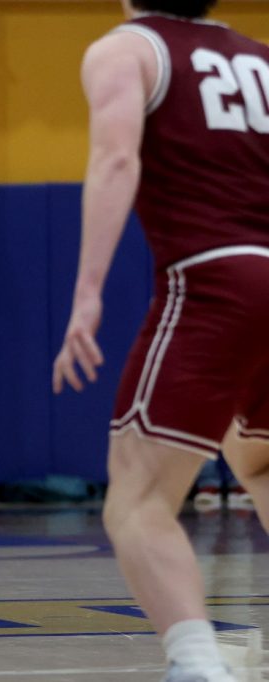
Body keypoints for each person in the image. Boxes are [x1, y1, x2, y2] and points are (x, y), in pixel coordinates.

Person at [52, 2, 269, 680]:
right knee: (258, 464)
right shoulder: (261, 56)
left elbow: (117, 160)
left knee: (137, 501)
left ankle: (197, 662)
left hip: (215, 280)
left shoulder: (128, 48)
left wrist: (87, 291)